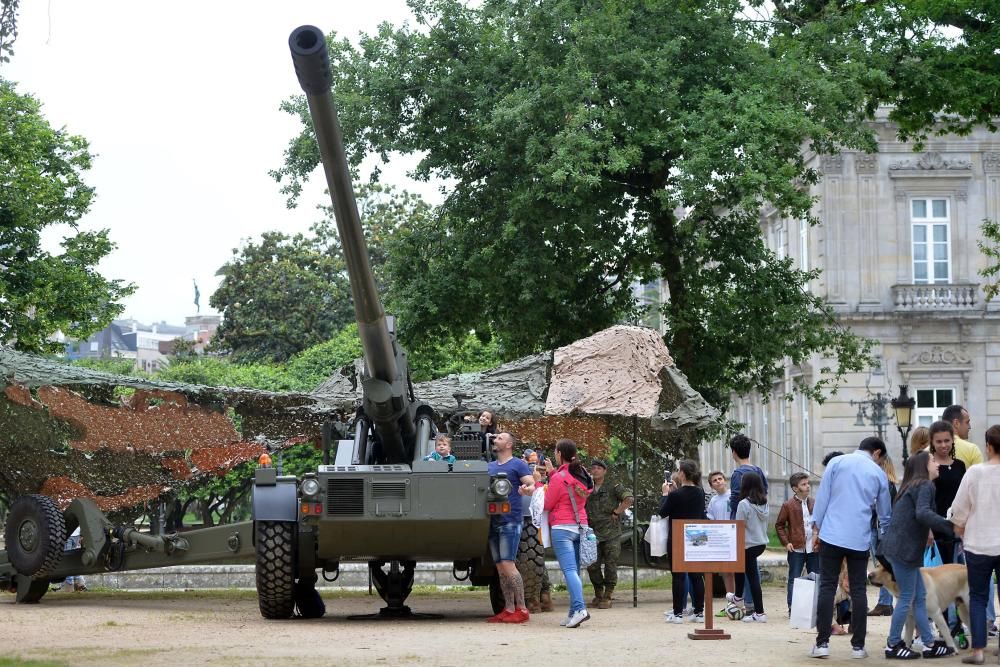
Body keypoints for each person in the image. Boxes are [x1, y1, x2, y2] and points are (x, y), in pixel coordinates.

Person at [809, 436, 892, 660]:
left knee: (827, 587)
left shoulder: (837, 463)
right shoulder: (878, 474)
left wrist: (815, 529)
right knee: (858, 590)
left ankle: (822, 643)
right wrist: (885, 538)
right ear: (876, 452)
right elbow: (885, 515)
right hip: (859, 538)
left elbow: (823, 498)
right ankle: (858, 646)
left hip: (831, 535)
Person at [879, 450, 957, 659]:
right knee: (907, 597)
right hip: (904, 551)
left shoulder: (911, 487)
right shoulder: (924, 485)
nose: (937, 463)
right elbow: (922, 513)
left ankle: (930, 644)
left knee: (919, 597)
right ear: (924, 466)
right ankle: (893, 644)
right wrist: (950, 526)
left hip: (900, 550)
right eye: (933, 460)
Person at [950, 425, 1000, 665]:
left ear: (988, 446)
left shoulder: (974, 473)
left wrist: (958, 525)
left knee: (978, 598)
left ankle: (978, 650)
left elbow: (959, 509)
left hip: (978, 544)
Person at [543, 439, 594, 628]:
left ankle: (580, 609)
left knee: (570, 570)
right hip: (581, 525)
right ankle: (573, 612)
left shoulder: (558, 477)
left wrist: (543, 483)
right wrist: (552, 472)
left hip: (562, 528)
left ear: (559, 454)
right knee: (576, 570)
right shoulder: (583, 475)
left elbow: (547, 504)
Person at [486, 431, 535, 624]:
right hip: (493, 520)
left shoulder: (518, 464)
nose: (494, 440)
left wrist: (526, 489)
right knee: (500, 567)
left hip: (510, 519)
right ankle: (508, 608)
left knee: (508, 564)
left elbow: (531, 484)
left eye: (499, 438)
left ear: (508, 445)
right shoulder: (489, 466)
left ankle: (522, 608)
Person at [658, 459, 708, 624]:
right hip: (697, 534)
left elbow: (662, 512)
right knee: (696, 575)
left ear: (683, 473)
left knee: (678, 576)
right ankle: (699, 612)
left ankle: (678, 613)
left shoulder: (675, 495)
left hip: (678, 535)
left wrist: (665, 494)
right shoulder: (700, 492)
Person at [585, 458, 633, 609]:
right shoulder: (586, 486)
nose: (595, 470)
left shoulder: (613, 486)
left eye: (599, 468)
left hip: (611, 532)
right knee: (592, 564)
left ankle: (608, 595)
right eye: (593, 468)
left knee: (611, 564)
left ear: (604, 471)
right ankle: (598, 593)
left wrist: (617, 511)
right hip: (592, 532)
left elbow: (629, 498)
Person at [776, 472, 818, 615]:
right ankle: (792, 608)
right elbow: (779, 525)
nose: (808, 487)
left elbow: (820, 523)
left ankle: (814, 607)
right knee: (794, 578)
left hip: (814, 548)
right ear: (795, 488)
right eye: (804, 484)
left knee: (815, 577)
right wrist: (786, 542)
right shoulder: (788, 505)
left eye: (808, 484)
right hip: (796, 548)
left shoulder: (814, 502)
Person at [731, 471, 770, 623]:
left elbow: (739, 526)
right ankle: (738, 597)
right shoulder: (764, 502)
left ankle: (759, 612)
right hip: (760, 543)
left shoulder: (743, 504)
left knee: (752, 577)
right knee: (740, 568)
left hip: (747, 544)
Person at [929, 420, 966, 566]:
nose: (943, 445)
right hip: (936, 526)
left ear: (952, 440)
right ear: (932, 442)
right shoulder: (930, 466)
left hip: (957, 526)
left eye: (947, 440)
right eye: (939, 441)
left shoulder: (960, 465)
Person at [869, 454, 900, 617]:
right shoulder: (889, 483)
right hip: (880, 528)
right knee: (884, 566)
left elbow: (881, 509)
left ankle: (884, 603)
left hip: (880, 529)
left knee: (883, 566)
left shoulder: (885, 483)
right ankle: (885, 602)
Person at [527, 459, 554, 613]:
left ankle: (539, 599)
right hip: (533, 529)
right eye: (539, 471)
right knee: (538, 563)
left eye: (544, 472)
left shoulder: (547, 486)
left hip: (541, 530)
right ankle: (541, 598)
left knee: (538, 563)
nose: (541, 474)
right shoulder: (532, 484)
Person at [707, 471, 736, 608]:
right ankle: (730, 602)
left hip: (733, 537)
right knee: (726, 572)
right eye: (715, 480)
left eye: (720, 479)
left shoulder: (732, 496)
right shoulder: (713, 501)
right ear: (712, 486)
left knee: (737, 571)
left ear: (725, 480)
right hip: (721, 539)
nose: (718, 481)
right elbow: (711, 519)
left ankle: (740, 600)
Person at [727, 433, 768, 520]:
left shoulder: (738, 474)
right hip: (759, 517)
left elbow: (735, 502)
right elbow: (765, 493)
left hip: (743, 520)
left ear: (734, 452)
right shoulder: (758, 470)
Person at [942, 404, 984, 469]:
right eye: (967, 422)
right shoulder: (972, 450)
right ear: (956, 423)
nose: (969, 427)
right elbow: (980, 477)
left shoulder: (928, 451)